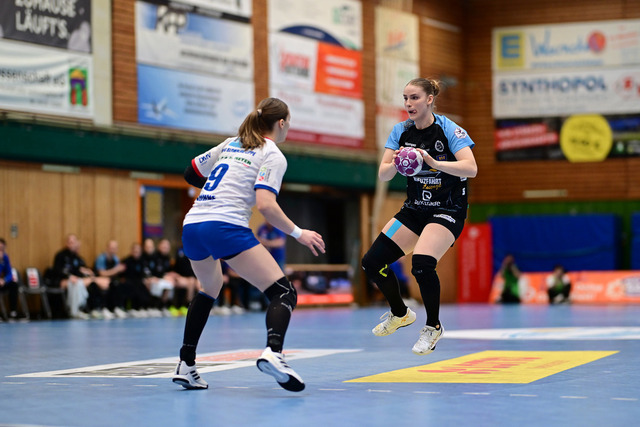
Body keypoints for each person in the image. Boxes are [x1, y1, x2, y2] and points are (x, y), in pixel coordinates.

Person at [172, 97, 325, 392]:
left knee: (209, 288)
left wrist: (220, 191)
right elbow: (266, 205)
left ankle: (186, 364)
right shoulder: (273, 154)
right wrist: (299, 233)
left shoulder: (230, 143)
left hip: (193, 225)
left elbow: (191, 173)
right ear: (281, 123)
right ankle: (274, 353)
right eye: (289, 122)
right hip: (224, 225)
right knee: (283, 291)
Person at [361, 78, 477, 356]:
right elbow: (383, 174)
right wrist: (399, 161)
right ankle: (400, 313)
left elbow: (471, 168)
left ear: (429, 99)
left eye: (414, 98)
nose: (408, 104)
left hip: (447, 209)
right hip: (415, 209)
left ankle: (433, 326)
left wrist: (434, 163)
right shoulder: (401, 131)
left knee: (422, 263)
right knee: (372, 262)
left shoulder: (449, 130)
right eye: (405, 98)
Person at [94, 240, 127, 318]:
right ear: (107, 248)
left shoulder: (116, 259)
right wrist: (116, 270)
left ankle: (116, 308)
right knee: (106, 284)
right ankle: (103, 308)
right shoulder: (101, 258)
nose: (113, 250)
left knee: (119, 284)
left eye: (115, 248)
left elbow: (116, 272)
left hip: (111, 280)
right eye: (111, 248)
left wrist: (120, 270)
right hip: (99, 279)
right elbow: (101, 273)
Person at [0, 238, 20, 320]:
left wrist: (4, 280)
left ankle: (13, 312)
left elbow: (10, 274)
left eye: (2, 248)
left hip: (1, 282)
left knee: (14, 285)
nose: (1, 250)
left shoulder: (5, 257)